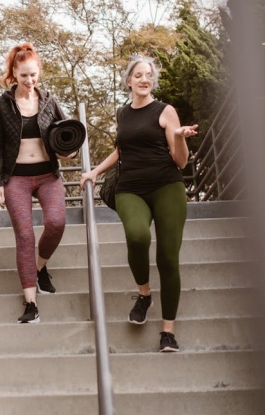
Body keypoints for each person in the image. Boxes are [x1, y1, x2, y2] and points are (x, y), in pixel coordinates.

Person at [80, 54, 198, 352]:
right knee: (137, 236)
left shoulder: (165, 111)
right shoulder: (123, 113)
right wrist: (95, 171)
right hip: (130, 187)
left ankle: (167, 331)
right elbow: (121, 150)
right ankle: (144, 294)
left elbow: (180, 162)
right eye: (139, 75)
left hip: (166, 186)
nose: (145, 79)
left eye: (149, 75)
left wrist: (181, 137)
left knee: (168, 259)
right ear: (129, 81)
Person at [0, 43, 77, 324]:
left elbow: (68, 135)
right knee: (25, 236)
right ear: (14, 73)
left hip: (47, 176)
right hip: (16, 178)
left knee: (56, 223)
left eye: (33, 75)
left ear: (39, 72)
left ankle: (40, 267)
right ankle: (30, 304)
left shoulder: (50, 101)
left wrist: (70, 150)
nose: (29, 81)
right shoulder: (2, 103)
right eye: (24, 75)